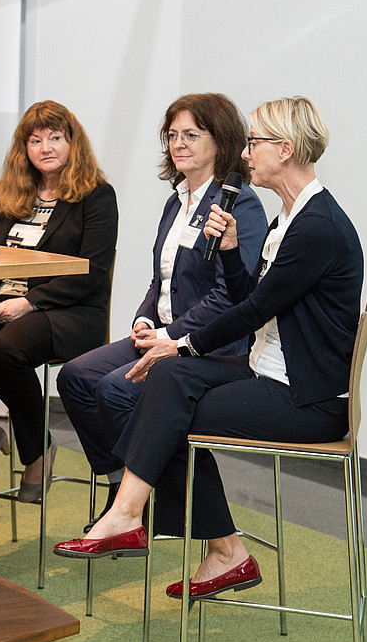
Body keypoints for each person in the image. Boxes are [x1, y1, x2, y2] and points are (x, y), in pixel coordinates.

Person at [54, 97, 363, 603]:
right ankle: (174, 530)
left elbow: (249, 312)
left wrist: (183, 345)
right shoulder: (290, 218)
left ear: (285, 150)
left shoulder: (317, 227)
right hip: (267, 371)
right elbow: (250, 298)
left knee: (162, 400)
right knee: (165, 386)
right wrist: (228, 253)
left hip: (306, 398)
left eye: (255, 143)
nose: (245, 155)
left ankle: (150, 521)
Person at [56, 93, 266, 530]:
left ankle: (140, 504)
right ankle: (124, 489)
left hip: (209, 345)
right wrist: (145, 319)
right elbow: (162, 279)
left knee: (114, 391)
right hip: (164, 334)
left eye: (191, 134)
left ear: (221, 140)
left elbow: (232, 296)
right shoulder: (177, 200)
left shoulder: (239, 205)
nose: (178, 143)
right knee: (75, 378)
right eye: (172, 135)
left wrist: (172, 336)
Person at [0, 100, 118, 503]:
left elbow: (92, 271)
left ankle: (37, 449)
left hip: (67, 310)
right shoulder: (11, 194)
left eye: (55, 138)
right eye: (35, 140)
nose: (46, 147)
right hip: (2, 303)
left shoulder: (96, 196)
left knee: (4, 352)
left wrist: (30, 302)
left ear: (73, 143)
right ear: (23, 148)